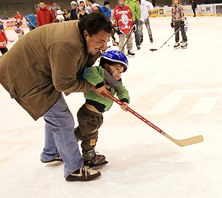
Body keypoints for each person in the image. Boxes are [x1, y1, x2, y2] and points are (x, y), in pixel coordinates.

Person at [0, 12, 112, 182]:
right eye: (100, 41)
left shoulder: (81, 34)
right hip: (25, 74)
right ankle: (73, 169)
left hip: (40, 70)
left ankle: (51, 152)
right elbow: (63, 83)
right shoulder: (67, 44)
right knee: (62, 119)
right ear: (86, 34)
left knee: (55, 114)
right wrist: (91, 87)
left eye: (106, 41)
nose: (103, 47)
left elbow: (79, 66)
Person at [74, 50, 129, 167]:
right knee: (91, 136)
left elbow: (121, 90)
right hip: (89, 115)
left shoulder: (115, 81)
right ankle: (89, 157)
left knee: (82, 132)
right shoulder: (98, 72)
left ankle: (65, 143)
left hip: (96, 116)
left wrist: (124, 100)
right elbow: (87, 72)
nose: (119, 74)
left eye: (122, 72)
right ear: (107, 64)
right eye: (117, 69)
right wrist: (99, 84)